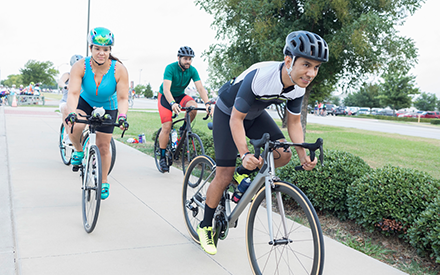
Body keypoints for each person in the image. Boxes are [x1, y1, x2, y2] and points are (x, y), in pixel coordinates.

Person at [196, 30, 329, 255]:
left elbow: (294, 123)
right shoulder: (261, 76)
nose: (311, 73)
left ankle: (243, 174)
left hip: (254, 116)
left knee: (284, 154)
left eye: (316, 67)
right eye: (306, 64)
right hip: (228, 113)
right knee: (224, 174)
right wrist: (246, 153)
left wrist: (302, 155)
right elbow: (236, 119)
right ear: (289, 60)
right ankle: (205, 225)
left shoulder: (299, 85)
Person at [65, 27, 129, 200]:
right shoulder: (80, 66)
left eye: (106, 49)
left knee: (103, 146)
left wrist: (122, 116)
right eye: (97, 49)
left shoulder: (119, 69)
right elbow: (73, 93)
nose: (102, 53)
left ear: (110, 50)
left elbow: (123, 98)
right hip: (84, 102)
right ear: (90, 48)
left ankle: (104, 180)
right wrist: (72, 112)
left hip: (109, 106)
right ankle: (78, 150)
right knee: (75, 124)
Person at [157, 46, 212, 173]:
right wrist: (172, 103)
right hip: (166, 97)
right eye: (185, 59)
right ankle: (162, 157)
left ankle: (184, 129)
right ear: (179, 58)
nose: (188, 61)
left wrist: (208, 103)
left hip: (180, 95)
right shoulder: (170, 68)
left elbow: (200, 88)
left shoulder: (192, 70)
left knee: (193, 106)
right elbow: (166, 89)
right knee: (167, 126)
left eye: (190, 59)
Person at [59, 54, 83, 144]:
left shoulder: (83, 77)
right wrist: (65, 86)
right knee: (66, 108)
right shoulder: (68, 75)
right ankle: (69, 135)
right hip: (66, 101)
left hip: (80, 103)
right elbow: (60, 82)